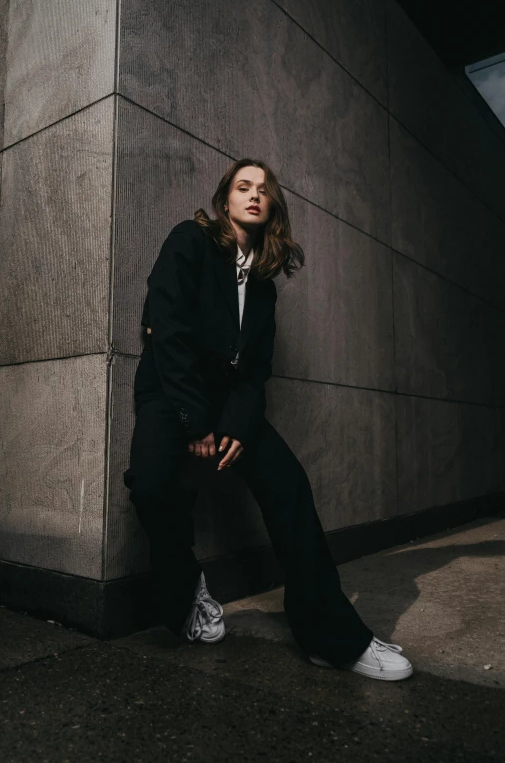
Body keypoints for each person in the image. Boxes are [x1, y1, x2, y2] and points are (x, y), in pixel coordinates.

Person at [123, 158, 414, 681]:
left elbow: (255, 373)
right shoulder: (189, 240)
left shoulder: (263, 288)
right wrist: (194, 422)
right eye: (243, 186)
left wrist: (233, 423)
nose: (254, 194)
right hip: (171, 391)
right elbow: (163, 329)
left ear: (271, 206)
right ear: (225, 199)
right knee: (150, 482)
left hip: (228, 406)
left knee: (289, 486)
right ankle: (187, 590)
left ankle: (334, 641)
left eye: (263, 189)